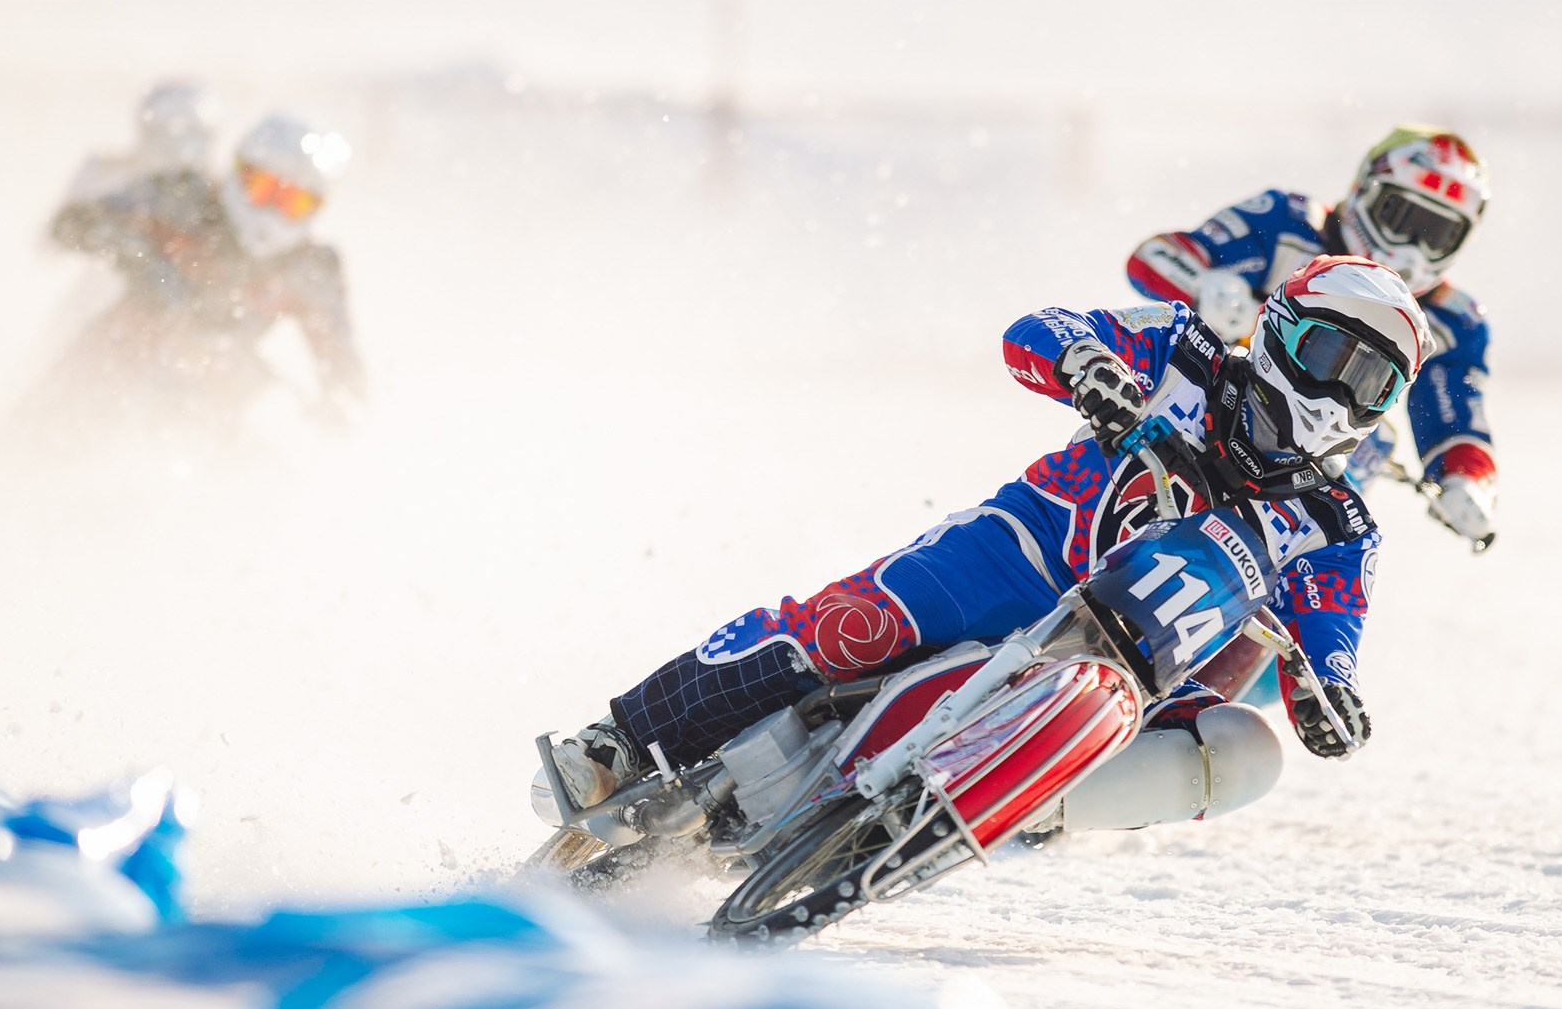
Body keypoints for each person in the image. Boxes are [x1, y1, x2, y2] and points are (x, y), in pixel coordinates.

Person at [546, 254, 1432, 841]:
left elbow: (1333, 629)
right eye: (1327, 354)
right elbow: (1040, 329)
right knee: (851, 628)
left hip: (1140, 668)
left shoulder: (1340, 524)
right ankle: (624, 739)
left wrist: (1334, 696)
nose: (1336, 395)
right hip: (1024, 554)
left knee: (1248, 752)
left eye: (1370, 382)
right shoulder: (1183, 351)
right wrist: (1090, 369)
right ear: (1278, 331)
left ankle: (1012, 812)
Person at [1126, 126, 1497, 547]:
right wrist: (1204, 288)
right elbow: (1155, 257)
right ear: (1365, 193)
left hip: (1317, 458)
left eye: (1437, 235)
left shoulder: (1453, 320)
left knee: (1378, 439)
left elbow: (1457, 420)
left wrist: (1467, 481)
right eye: (1403, 219)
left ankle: (1286, 560)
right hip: (1204, 412)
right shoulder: (1286, 221)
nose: (1414, 249)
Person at [47, 112, 365, 425]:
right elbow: (72, 224)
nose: (271, 209)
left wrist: (336, 408)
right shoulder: (183, 198)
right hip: (117, 360)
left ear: (316, 208)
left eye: (293, 201)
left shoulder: (311, 267)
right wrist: (143, 258)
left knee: (270, 410)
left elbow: (343, 369)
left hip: (215, 391)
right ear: (238, 172)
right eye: (263, 188)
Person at [58, 80, 222, 206]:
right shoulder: (108, 175)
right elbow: (66, 230)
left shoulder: (222, 193)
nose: (175, 146)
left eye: (190, 134)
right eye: (162, 133)